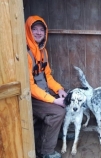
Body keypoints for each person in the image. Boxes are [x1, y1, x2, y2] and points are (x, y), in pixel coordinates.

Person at [25, 15, 67, 158]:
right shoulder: (26, 52)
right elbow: (29, 86)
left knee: (68, 100)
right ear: (28, 31)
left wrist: (59, 90)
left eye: (41, 30)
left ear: (45, 32)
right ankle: (45, 151)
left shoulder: (42, 51)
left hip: (42, 91)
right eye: (34, 29)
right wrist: (54, 100)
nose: (38, 32)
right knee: (57, 112)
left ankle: (56, 134)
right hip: (30, 96)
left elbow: (47, 76)